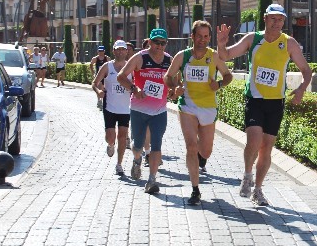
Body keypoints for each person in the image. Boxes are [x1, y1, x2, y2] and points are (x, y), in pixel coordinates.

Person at [216, 4, 312, 206]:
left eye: (280, 20)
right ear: (265, 18)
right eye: (273, 19)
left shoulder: (289, 43)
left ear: (284, 22)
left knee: (266, 148)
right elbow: (226, 56)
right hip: (255, 99)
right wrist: (221, 44)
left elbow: (306, 70)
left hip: (276, 102)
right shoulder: (253, 39)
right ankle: (247, 175)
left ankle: (258, 189)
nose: (277, 23)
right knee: (254, 139)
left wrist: (302, 88)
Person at [165, 20, 233, 205]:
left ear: (209, 38)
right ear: (192, 37)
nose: (202, 40)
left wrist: (217, 84)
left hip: (208, 107)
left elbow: (228, 76)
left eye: (206, 36)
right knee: (190, 147)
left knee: (206, 150)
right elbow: (168, 77)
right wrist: (175, 88)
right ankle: (195, 189)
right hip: (187, 105)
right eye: (199, 36)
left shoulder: (215, 56)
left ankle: (201, 156)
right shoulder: (183, 56)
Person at [117, 28, 173, 194]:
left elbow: (174, 81)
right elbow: (121, 76)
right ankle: (136, 159)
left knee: (157, 145)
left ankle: (152, 180)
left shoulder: (169, 60)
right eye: (156, 42)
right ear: (149, 42)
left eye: (163, 43)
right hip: (138, 109)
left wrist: (173, 89)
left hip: (159, 111)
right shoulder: (140, 58)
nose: (159, 46)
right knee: (138, 145)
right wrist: (134, 89)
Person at [92, 40, 132, 176]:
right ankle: (110, 145)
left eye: (123, 49)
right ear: (114, 51)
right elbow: (95, 83)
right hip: (109, 107)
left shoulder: (130, 67)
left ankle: (119, 164)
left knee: (122, 136)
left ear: (126, 51)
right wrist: (99, 92)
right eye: (118, 49)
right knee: (110, 137)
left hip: (125, 109)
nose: (120, 52)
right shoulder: (107, 67)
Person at [90, 46, 111, 110]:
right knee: (99, 87)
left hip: (105, 75)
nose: (100, 52)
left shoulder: (107, 58)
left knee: (103, 88)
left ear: (104, 51)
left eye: (102, 51)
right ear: (97, 51)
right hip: (98, 75)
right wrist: (93, 72)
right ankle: (99, 100)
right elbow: (91, 64)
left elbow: (111, 65)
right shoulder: (95, 58)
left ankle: (102, 100)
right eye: (99, 51)